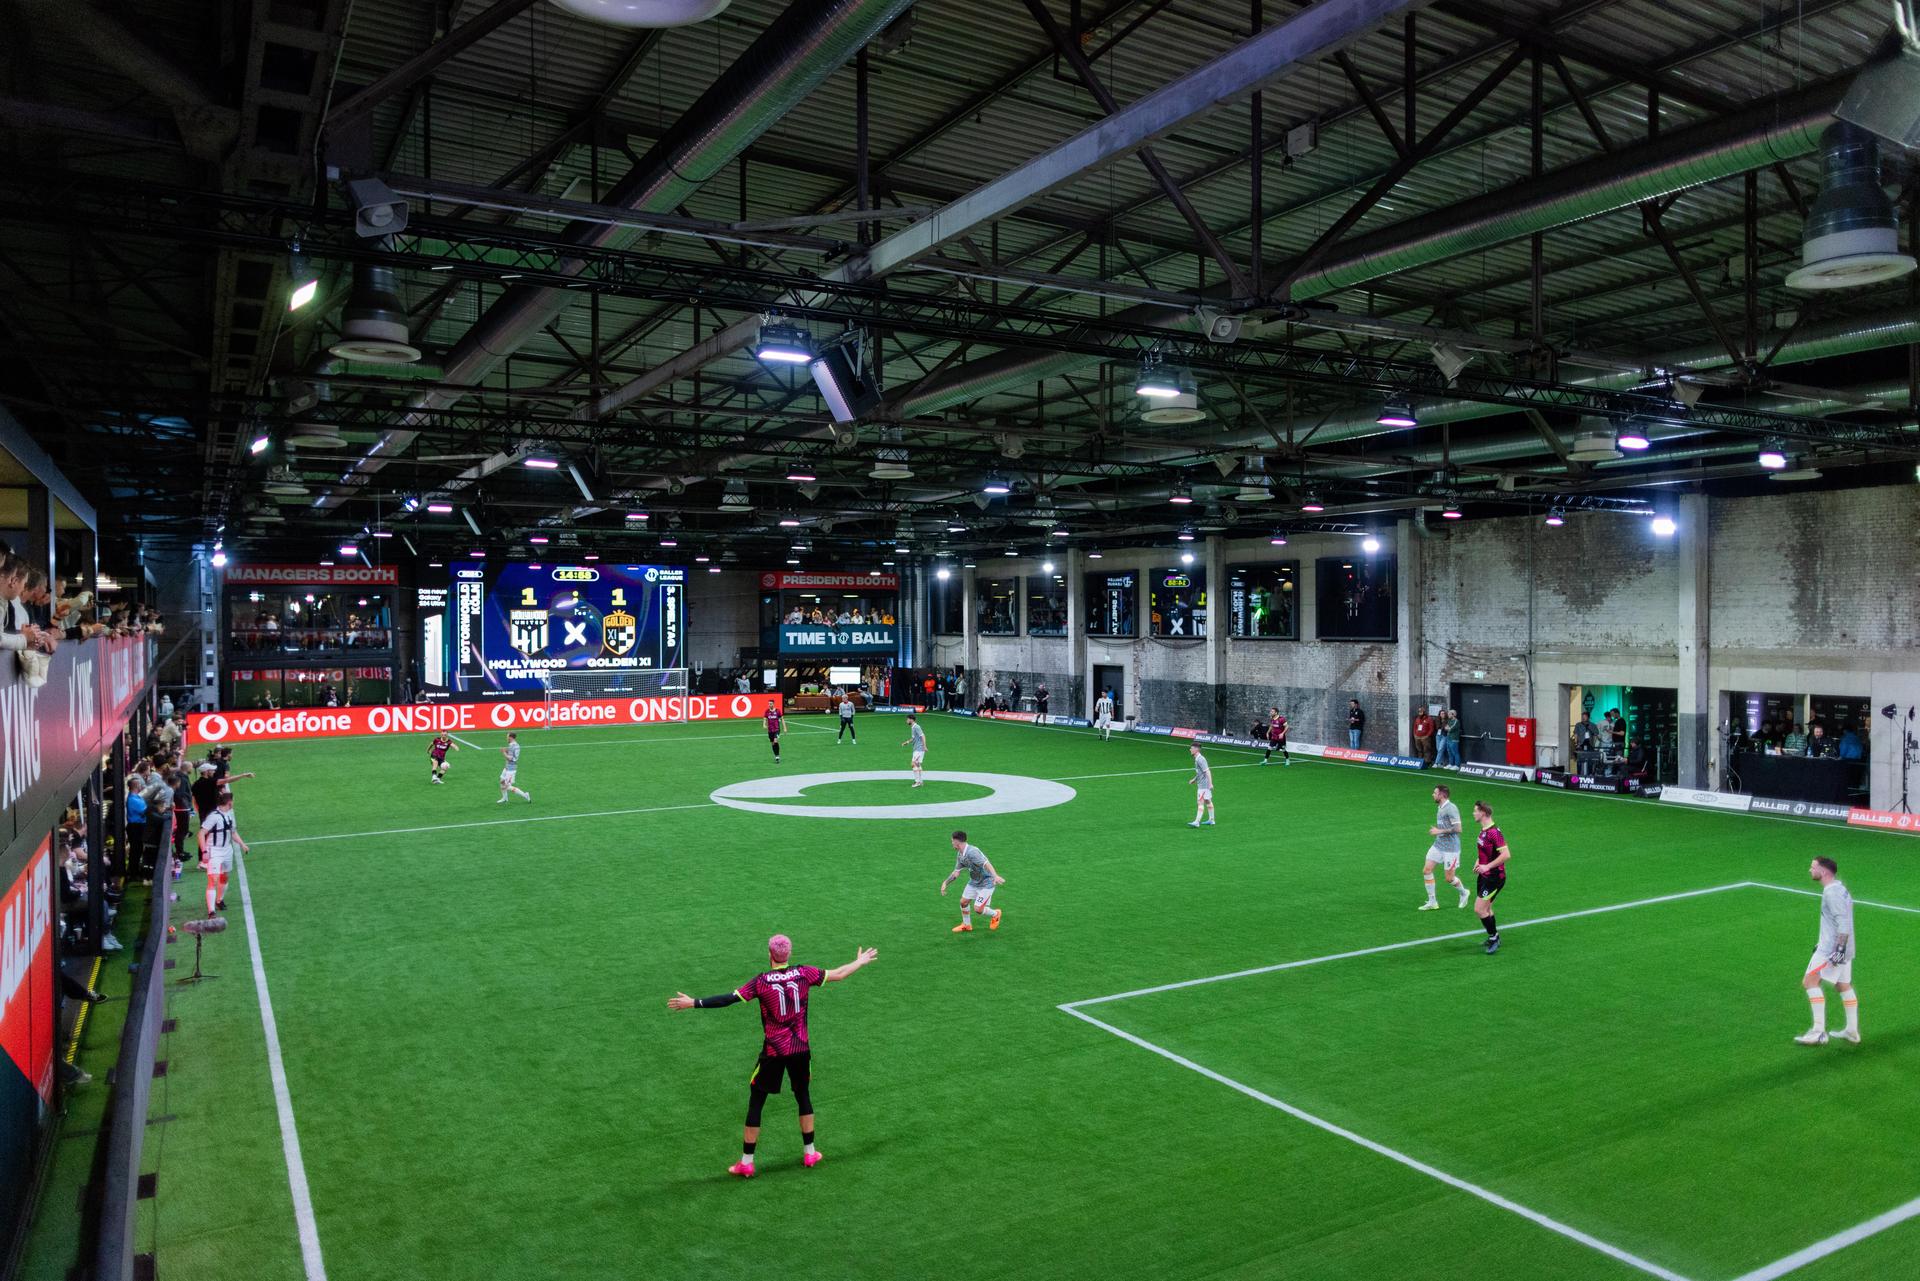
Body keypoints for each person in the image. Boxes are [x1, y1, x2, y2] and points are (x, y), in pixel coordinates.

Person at [666, 934, 879, 1177]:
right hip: (800, 1049)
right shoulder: (804, 973)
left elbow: (729, 999)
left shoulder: (762, 982)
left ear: (770, 954)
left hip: (774, 1052)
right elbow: (839, 974)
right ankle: (810, 1152)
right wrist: (859, 961)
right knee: (803, 1095)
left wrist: (694, 1002)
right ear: (789, 953)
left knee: (757, 1101)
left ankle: (747, 1162)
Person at [1797, 857, 1859, 1045]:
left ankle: (1818, 1032)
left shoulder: (1831, 893)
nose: (1810, 870)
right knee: (1843, 985)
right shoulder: (1840, 888)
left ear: (1823, 871)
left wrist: (1838, 949)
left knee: (1810, 982)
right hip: (1845, 948)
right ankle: (1852, 1031)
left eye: (1813, 867)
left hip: (1831, 951)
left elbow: (1843, 923)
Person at [940, 830, 1005, 933]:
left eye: (952, 841)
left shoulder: (972, 852)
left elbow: (986, 863)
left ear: (957, 841)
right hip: (974, 882)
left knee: (978, 909)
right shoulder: (960, 855)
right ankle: (967, 925)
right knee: (963, 902)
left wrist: (995, 876)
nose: (952, 843)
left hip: (987, 883)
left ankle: (996, 914)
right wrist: (945, 883)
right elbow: (956, 872)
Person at [198, 790, 248, 916]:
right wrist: (204, 851)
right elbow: (201, 833)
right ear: (229, 802)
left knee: (224, 877)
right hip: (214, 850)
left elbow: (233, 832)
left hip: (227, 850)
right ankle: (211, 911)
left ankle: (219, 900)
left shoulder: (229, 815)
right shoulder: (213, 817)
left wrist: (242, 844)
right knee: (213, 880)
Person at [1419, 785, 1470, 911]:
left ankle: (1464, 893)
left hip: (1451, 849)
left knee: (1449, 878)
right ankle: (1432, 902)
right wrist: (1439, 832)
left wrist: (1439, 831)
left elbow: (1458, 829)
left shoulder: (1451, 808)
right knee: (1426, 870)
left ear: (1442, 795)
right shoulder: (1440, 807)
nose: (1433, 794)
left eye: (1435, 793)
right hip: (1438, 845)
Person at [1470, 801, 1510, 954]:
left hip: (1494, 878)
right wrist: (1478, 861)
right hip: (1484, 876)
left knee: (1479, 909)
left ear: (1483, 813)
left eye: (1475, 811)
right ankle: (1494, 936)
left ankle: (1494, 937)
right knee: (1487, 908)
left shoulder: (1494, 832)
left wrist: (1487, 866)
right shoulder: (1483, 831)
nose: (1473, 813)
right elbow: (1486, 851)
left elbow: (1506, 855)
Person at [1186, 743, 1216, 828]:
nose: (1190, 750)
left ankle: (1197, 822)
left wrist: (1210, 783)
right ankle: (1211, 820)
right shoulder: (1198, 759)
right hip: (1204, 784)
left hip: (1203, 786)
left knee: (1200, 802)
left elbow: (1207, 771)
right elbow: (1200, 773)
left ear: (1196, 749)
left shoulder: (1200, 759)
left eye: (1191, 748)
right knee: (1208, 801)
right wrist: (1194, 779)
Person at [497, 732, 530, 804]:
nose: (506, 738)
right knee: (502, 781)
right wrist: (506, 750)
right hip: (507, 767)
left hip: (511, 769)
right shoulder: (514, 745)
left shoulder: (512, 746)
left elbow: (510, 758)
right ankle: (505, 798)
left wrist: (503, 752)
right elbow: (510, 752)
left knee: (507, 786)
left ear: (511, 737)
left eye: (507, 737)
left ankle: (525, 795)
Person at [900, 713, 927, 787]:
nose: (906, 721)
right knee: (917, 764)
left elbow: (923, 736)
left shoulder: (916, 727)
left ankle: (917, 782)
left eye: (907, 719)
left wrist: (924, 746)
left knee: (913, 764)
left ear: (911, 720)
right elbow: (913, 738)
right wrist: (907, 742)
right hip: (917, 748)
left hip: (919, 749)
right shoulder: (913, 727)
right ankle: (920, 781)